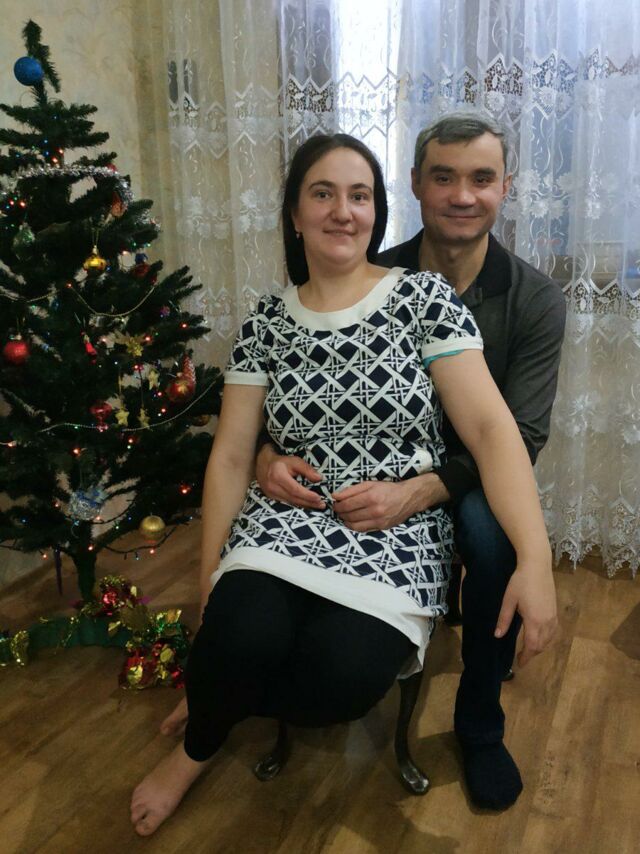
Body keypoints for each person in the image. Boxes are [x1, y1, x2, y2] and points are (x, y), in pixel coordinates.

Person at [131, 131, 556, 836]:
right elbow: (232, 456)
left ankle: (217, 698)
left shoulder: (423, 299)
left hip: (395, 531)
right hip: (284, 522)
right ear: (295, 214)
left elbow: (492, 431)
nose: (342, 211)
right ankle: (198, 744)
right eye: (322, 193)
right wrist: (209, 580)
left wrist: (535, 560)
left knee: (340, 680)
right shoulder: (266, 321)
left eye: (359, 195)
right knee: (235, 636)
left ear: (377, 212)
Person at [254, 113, 566, 811]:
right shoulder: (370, 270)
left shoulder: (536, 299)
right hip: (372, 468)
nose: (463, 195)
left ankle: (479, 725)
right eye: (444, 177)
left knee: (493, 541)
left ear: (506, 187)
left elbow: (518, 435)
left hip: (477, 472)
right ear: (417, 184)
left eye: (481, 178)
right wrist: (267, 453)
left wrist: (426, 490)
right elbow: (293, 385)